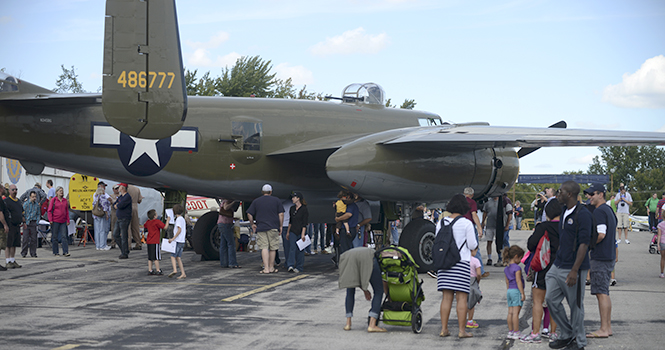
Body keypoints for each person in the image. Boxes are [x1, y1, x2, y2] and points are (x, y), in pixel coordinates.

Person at [546, 180, 591, 350]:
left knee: (576, 306)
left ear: (569, 194)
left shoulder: (583, 214)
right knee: (551, 299)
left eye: (561, 192)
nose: (558, 194)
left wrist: (574, 270)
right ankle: (566, 334)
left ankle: (579, 343)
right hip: (558, 264)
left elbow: (584, 244)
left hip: (574, 268)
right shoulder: (564, 210)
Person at [436, 194, 478, 339]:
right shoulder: (466, 223)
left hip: (444, 263)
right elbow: (472, 245)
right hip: (461, 263)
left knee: (446, 297)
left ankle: (444, 329)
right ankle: (461, 331)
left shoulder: (440, 223)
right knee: (461, 298)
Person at [523, 198, 562, 343]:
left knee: (538, 301)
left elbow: (531, 244)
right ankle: (553, 333)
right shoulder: (567, 227)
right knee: (555, 302)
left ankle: (535, 333)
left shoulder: (544, 226)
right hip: (561, 268)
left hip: (544, 267)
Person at [583, 183, 617, 339]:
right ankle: (607, 327)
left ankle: (603, 328)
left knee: (601, 293)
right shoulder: (609, 210)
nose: (589, 197)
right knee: (605, 292)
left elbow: (601, 234)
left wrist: (588, 245)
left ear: (601, 194)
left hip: (600, 257)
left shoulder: (599, 212)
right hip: (608, 256)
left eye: (592, 194)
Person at [338, 247, 386, 332]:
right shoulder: (376, 256)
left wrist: (365, 290)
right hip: (368, 258)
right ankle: (372, 324)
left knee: (350, 289)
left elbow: (357, 278)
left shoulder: (350, 253)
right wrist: (365, 290)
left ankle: (348, 323)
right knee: (379, 291)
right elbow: (381, 280)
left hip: (349, 258)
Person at [246, 184, 284, 274]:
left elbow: (249, 214)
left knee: (264, 247)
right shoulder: (276, 200)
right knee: (273, 248)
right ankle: (271, 267)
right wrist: (281, 226)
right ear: (271, 192)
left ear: (262, 192)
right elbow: (281, 214)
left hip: (261, 227)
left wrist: (252, 224)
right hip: (273, 227)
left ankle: (265, 268)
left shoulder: (256, 201)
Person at [463, 187, 488, 277]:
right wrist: (479, 227)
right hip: (469, 226)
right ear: (472, 195)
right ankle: (480, 271)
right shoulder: (471, 202)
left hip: (460, 226)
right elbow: (474, 214)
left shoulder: (460, 202)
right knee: (475, 248)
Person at [503, 245, 525, 340]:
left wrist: (509, 290)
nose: (520, 260)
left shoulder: (506, 268)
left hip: (509, 291)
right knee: (516, 313)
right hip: (516, 291)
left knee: (510, 313)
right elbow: (518, 281)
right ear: (516, 256)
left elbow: (507, 281)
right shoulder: (517, 268)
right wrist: (522, 293)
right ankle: (516, 332)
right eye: (520, 258)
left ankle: (510, 331)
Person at [287, 192, 308, 273]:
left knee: (300, 250)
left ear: (298, 198)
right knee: (292, 248)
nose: (292, 199)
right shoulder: (292, 208)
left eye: (294, 197)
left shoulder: (304, 209)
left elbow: (304, 223)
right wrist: (288, 232)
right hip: (293, 230)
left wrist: (303, 234)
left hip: (300, 231)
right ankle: (290, 265)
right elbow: (290, 221)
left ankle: (299, 266)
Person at [48, 186, 71, 257]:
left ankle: (65, 251)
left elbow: (66, 211)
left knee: (64, 236)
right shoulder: (53, 200)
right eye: (60, 191)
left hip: (63, 221)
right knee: (55, 237)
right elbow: (49, 210)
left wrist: (68, 220)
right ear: (57, 192)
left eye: (62, 190)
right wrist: (50, 220)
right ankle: (56, 252)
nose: (61, 192)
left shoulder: (65, 201)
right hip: (55, 221)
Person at [4, 184, 24, 267]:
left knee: (15, 243)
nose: (15, 191)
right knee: (8, 243)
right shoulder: (7, 201)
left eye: (16, 189)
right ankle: (7, 261)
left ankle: (13, 260)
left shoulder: (18, 201)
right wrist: (5, 225)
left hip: (17, 225)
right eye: (13, 190)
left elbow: (22, 213)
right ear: (9, 191)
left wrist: (24, 222)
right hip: (10, 225)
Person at [218, 199, 241, 268]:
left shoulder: (224, 201)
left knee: (223, 244)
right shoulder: (227, 201)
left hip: (221, 223)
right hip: (226, 224)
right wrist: (234, 202)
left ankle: (224, 262)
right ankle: (232, 263)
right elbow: (225, 207)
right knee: (231, 244)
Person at [112, 183, 132, 259]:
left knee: (124, 236)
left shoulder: (127, 197)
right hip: (119, 218)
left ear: (123, 188)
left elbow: (120, 205)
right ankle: (124, 249)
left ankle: (124, 253)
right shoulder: (121, 196)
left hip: (124, 218)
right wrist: (116, 205)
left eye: (119, 187)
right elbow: (115, 203)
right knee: (115, 234)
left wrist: (117, 205)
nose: (118, 188)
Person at [144, 209, 167, 275]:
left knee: (150, 257)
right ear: (154, 216)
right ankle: (158, 270)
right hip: (155, 241)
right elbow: (164, 227)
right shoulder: (157, 222)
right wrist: (167, 221)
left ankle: (150, 270)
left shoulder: (148, 222)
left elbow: (145, 226)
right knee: (156, 257)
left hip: (149, 241)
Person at [168, 204, 187, 279]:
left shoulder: (178, 220)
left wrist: (173, 238)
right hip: (182, 241)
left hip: (177, 241)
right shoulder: (182, 219)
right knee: (178, 257)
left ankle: (175, 270)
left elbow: (179, 229)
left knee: (173, 256)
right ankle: (183, 273)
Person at [466, 247, 482, 329]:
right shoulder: (476, 260)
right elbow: (479, 274)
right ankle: (470, 321)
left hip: (464, 281)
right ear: (473, 250)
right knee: (471, 303)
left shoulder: (464, 260)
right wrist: (477, 281)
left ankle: (462, 319)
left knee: (463, 301)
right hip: (472, 281)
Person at [21, 191, 41, 258]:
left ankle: (33, 253)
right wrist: (24, 222)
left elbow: (38, 213)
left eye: (35, 197)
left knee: (34, 239)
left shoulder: (37, 205)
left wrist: (37, 221)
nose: (34, 198)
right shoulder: (26, 204)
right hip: (27, 222)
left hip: (33, 222)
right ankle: (24, 252)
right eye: (33, 197)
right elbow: (23, 213)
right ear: (30, 197)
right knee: (25, 238)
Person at [92, 183, 112, 251]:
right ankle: (103, 245)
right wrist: (106, 214)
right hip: (101, 215)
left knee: (97, 230)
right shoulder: (102, 196)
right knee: (103, 230)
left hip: (95, 215)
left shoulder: (95, 196)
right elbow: (105, 207)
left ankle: (98, 245)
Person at [481, 196, 499, 266]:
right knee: (489, 242)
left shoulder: (501, 202)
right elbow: (485, 213)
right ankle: (489, 258)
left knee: (498, 242)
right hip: (489, 225)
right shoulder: (488, 203)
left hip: (498, 226)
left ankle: (500, 257)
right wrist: (483, 222)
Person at [126, 184, 144, 250]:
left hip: (127, 207)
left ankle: (128, 245)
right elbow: (139, 200)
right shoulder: (137, 189)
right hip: (135, 207)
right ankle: (138, 243)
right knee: (135, 226)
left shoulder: (126, 187)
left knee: (128, 227)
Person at [108, 184, 120, 249]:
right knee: (113, 227)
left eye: (118, 188)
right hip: (114, 213)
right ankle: (113, 242)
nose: (117, 190)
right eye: (116, 189)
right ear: (113, 190)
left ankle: (120, 242)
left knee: (121, 228)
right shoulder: (111, 196)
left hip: (120, 212)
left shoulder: (121, 195)